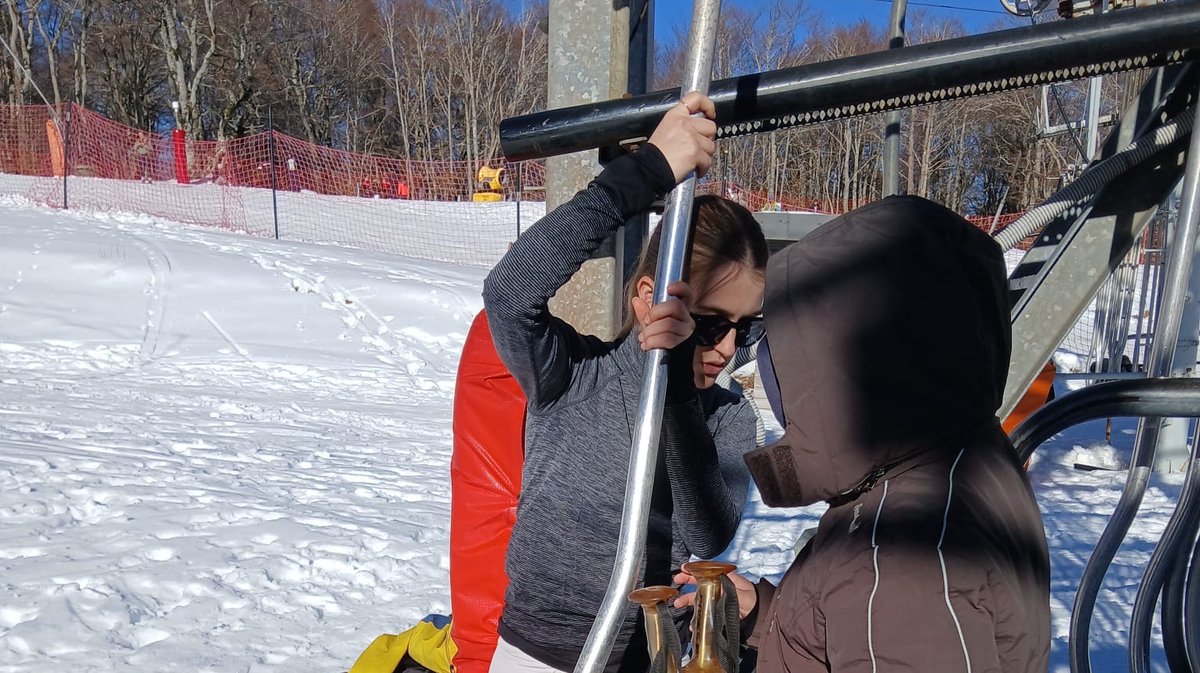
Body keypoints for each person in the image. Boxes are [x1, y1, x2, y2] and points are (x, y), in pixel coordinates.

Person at [675, 195, 1051, 673]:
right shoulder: (936, 470)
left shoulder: (901, 560)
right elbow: (863, 634)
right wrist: (763, 615)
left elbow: (890, 617)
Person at [481, 92, 768, 673]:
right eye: (712, 325)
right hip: (538, 655)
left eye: (748, 328)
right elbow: (509, 295)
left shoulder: (729, 416)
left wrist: (681, 396)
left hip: (652, 656)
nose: (728, 350)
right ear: (648, 300)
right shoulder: (573, 376)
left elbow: (709, 530)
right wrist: (645, 174)